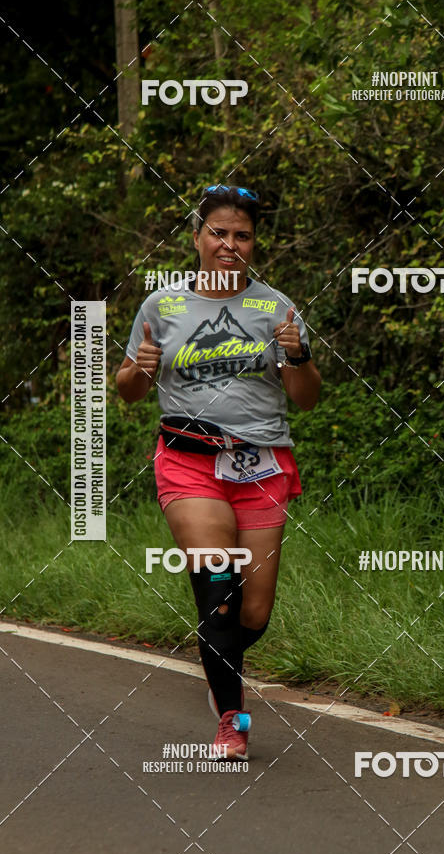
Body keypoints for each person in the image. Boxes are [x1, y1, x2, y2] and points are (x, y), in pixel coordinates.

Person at [116, 184, 321, 759]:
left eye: (242, 235)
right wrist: (142, 370)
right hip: (190, 463)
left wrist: (298, 356)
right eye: (219, 232)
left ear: (254, 243)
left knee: (252, 611)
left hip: (262, 463)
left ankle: (219, 657)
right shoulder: (162, 306)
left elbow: (306, 399)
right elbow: (127, 389)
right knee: (218, 590)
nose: (230, 244)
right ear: (198, 237)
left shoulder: (276, 307)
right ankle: (232, 720)